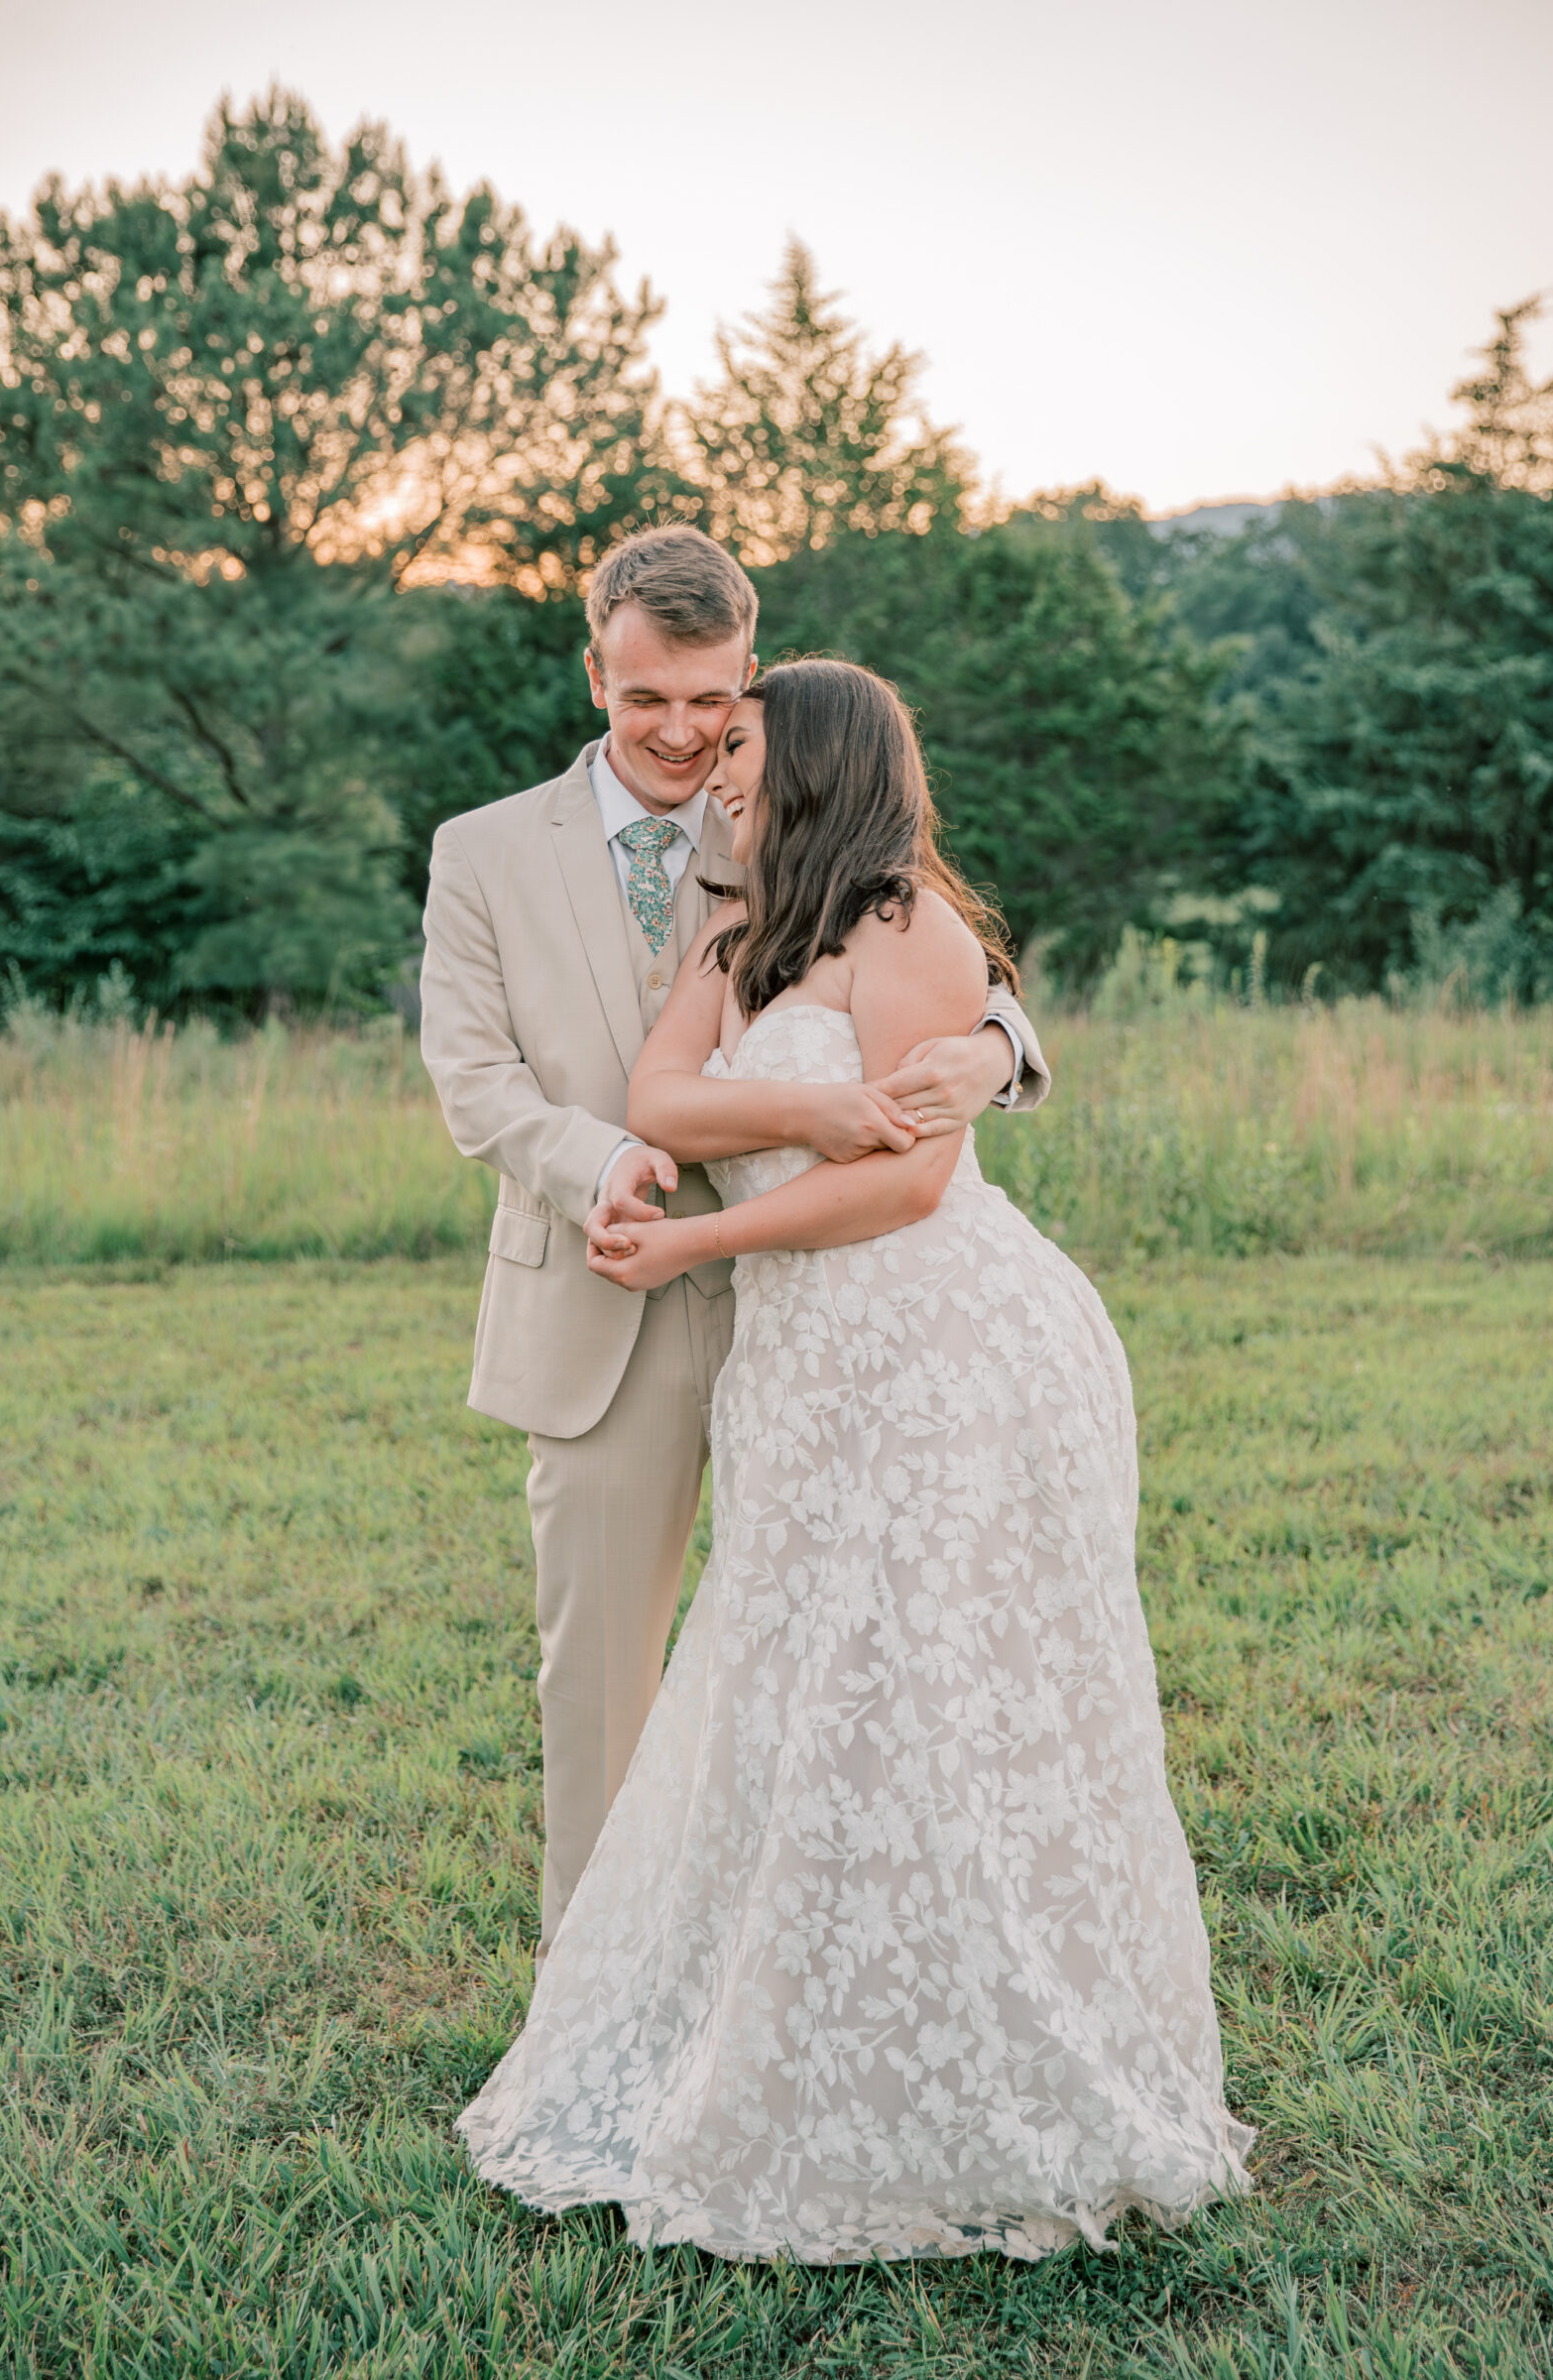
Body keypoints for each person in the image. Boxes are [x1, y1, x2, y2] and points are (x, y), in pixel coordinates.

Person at [455, 658, 1254, 2263]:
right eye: (683, 722)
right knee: (782, 1679)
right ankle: (730, 2005)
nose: (710, 761)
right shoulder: (729, 919)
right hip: (802, 1361)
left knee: (942, 1683)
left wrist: (716, 1238)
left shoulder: (910, 924)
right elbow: (662, 1093)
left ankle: (980, 2044)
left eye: (738, 738)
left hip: (943, 1346)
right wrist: (823, 1121)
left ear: (800, 754)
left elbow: (913, 1191)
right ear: (603, 676)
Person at [418, 528, 1046, 1964]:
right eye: (648, 700)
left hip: (826, 1305)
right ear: (596, 674)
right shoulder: (485, 854)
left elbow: (961, 964)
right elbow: (477, 1080)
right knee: (603, 1677)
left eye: (710, 698)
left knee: (825, 1663)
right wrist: (606, 1166)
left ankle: (790, 1977)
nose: (685, 733)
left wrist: (999, 1048)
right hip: (606, 1290)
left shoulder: (794, 801)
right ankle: (596, 1993)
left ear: (745, 677)